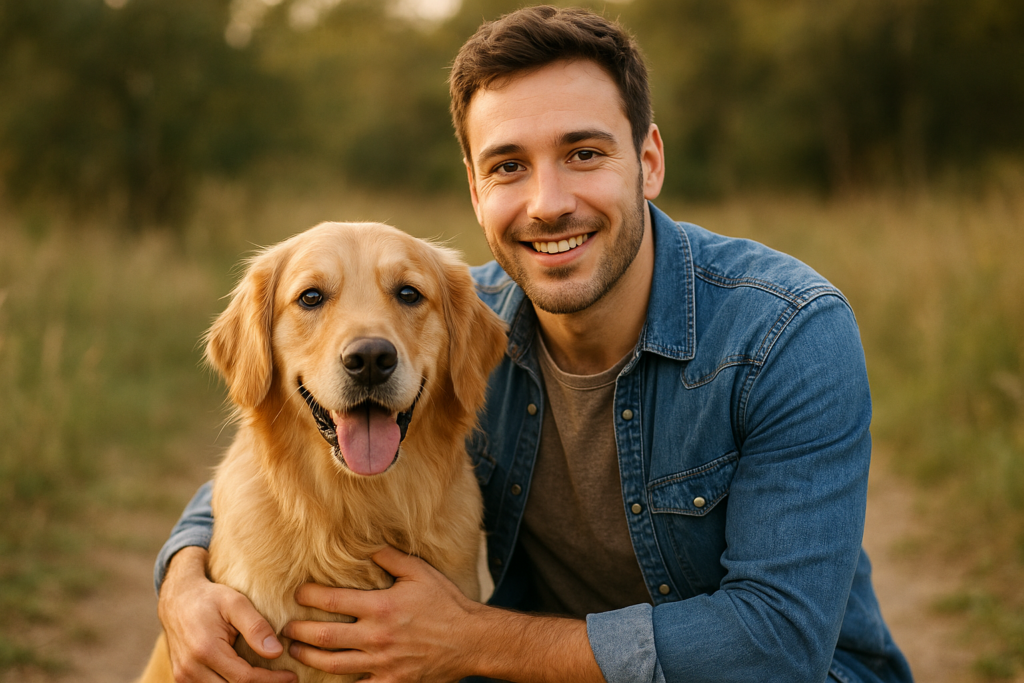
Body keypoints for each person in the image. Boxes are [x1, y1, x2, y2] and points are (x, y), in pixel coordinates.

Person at [154, 6, 914, 683]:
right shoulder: (451, 321)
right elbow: (280, 439)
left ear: (648, 160)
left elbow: (776, 647)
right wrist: (183, 579)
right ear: (476, 189)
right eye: (509, 166)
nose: (549, 204)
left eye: (584, 153)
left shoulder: (787, 332)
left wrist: (473, 639)